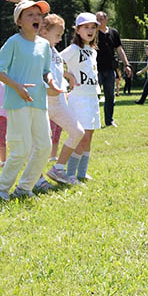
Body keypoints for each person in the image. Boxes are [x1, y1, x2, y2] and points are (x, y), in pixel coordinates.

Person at [0, 0, 56, 201]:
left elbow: (46, 71)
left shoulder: (44, 45)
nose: (36, 18)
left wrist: (50, 80)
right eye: (30, 15)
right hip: (17, 101)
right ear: (19, 21)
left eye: (38, 15)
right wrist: (17, 87)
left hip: (39, 102)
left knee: (44, 147)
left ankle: (24, 188)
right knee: (21, 149)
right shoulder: (13, 42)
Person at [36, 14, 85, 187]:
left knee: (78, 131)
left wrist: (68, 76)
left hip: (58, 101)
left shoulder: (53, 50)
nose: (59, 39)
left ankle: (58, 168)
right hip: (42, 101)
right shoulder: (37, 48)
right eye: (57, 35)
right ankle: (37, 179)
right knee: (41, 143)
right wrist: (49, 86)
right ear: (43, 31)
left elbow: (56, 69)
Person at [60, 13, 103, 182]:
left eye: (93, 27)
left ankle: (82, 172)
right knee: (82, 136)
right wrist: (68, 75)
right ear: (77, 30)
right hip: (79, 99)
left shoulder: (92, 51)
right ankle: (70, 174)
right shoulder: (73, 49)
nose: (90, 30)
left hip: (92, 97)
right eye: (86, 27)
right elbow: (53, 62)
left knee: (89, 136)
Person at [94, 11, 131, 127]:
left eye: (101, 19)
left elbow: (119, 50)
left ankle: (109, 121)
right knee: (94, 96)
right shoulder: (92, 33)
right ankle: (93, 121)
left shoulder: (113, 32)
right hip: (95, 70)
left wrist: (126, 64)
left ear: (106, 19)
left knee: (110, 96)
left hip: (110, 69)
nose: (98, 21)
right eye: (97, 19)